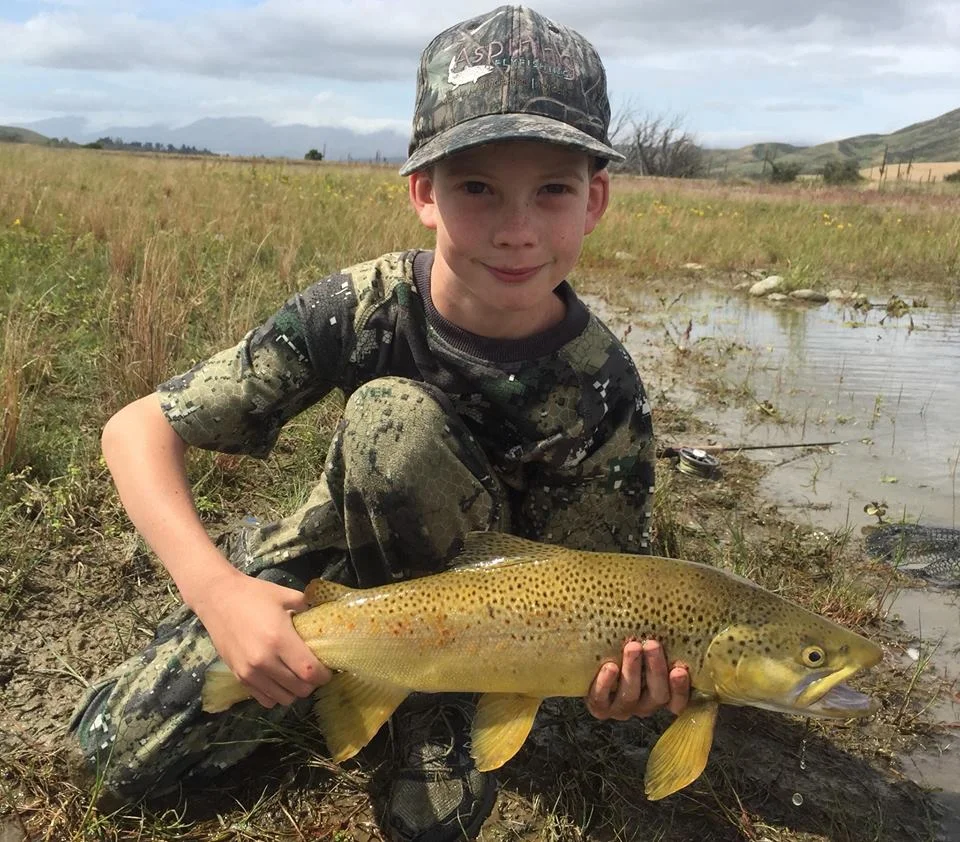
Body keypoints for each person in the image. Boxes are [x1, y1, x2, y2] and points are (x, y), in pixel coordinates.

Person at [67, 5, 691, 841]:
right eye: (477, 187)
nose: (516, 229)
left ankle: (430, 707)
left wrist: (624, 684)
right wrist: (217, 592)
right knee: (116, 757)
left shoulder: (606, 390)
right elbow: (135, 430)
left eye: (553, 190)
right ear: (423, 193)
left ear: (596, 200)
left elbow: (607, 596)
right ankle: (332, 646)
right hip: (342, 560)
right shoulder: (360, 307)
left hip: (497, 621)